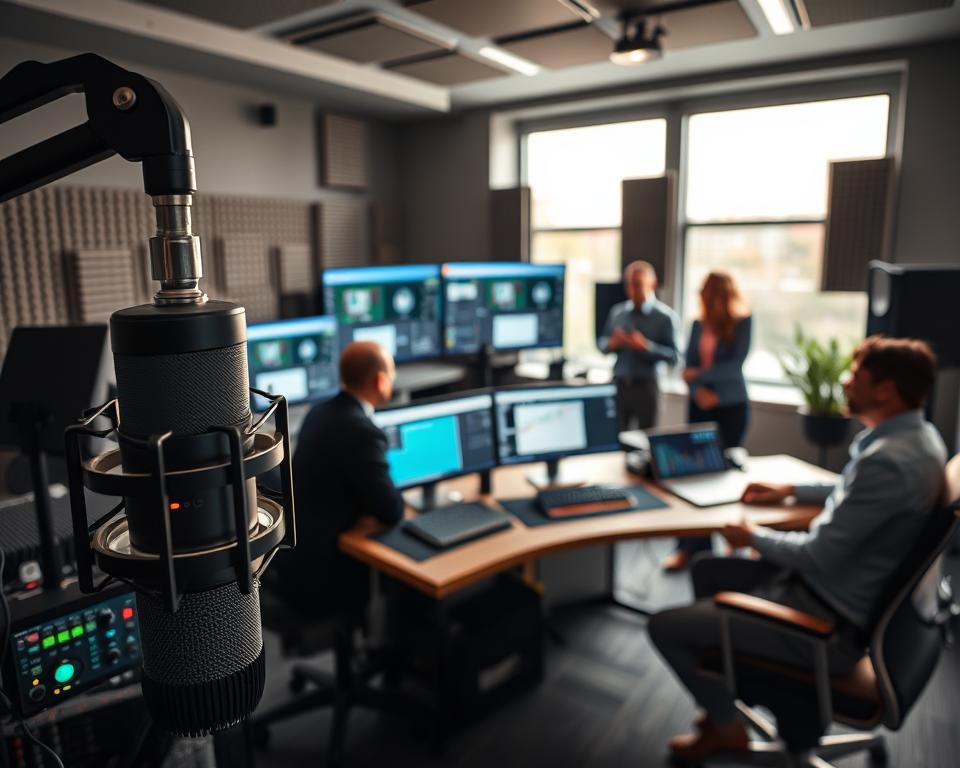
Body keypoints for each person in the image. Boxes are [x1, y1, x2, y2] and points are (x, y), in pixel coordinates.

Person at [649, 336, 946, 762]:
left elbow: (814, 556)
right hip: (842, 595)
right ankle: (722, 692)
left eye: (855, 376)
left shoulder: (890, 460)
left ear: (885, 390)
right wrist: (791, 489)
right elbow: (851, 490)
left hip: (825, 624)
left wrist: (751, 537)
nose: (844, 382)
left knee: (665, 627)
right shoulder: (916, 440)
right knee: (708, 571)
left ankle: (726, 724)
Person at [270, 340, 405, 617]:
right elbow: (392, 511)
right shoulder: (362, 432)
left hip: (295, 557)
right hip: (324, 575)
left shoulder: (320, 411)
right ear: (380, 381)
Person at [662, 271, 752, 571]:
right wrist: (698, 389)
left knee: (725, 473)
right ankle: (691, 547)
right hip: (699, 405)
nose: (701, 295)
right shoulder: (698, 325)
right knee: (693, 473)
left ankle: (732, 539)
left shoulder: (742, 323)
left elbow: (734, 366)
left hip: (731, 405)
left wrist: (700, 377)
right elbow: (687, 366)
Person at [599, 260, 679, 431]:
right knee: (616, 438)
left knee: (645, 440)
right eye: (629, 284)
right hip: (620, 385)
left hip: (646, 387)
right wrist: (613, 343)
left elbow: (674, 357)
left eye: (637, 284)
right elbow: (602, 345)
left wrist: (645, 346)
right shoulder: (618, 312)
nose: (632, 290)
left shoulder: (665, 317)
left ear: (652, 284)